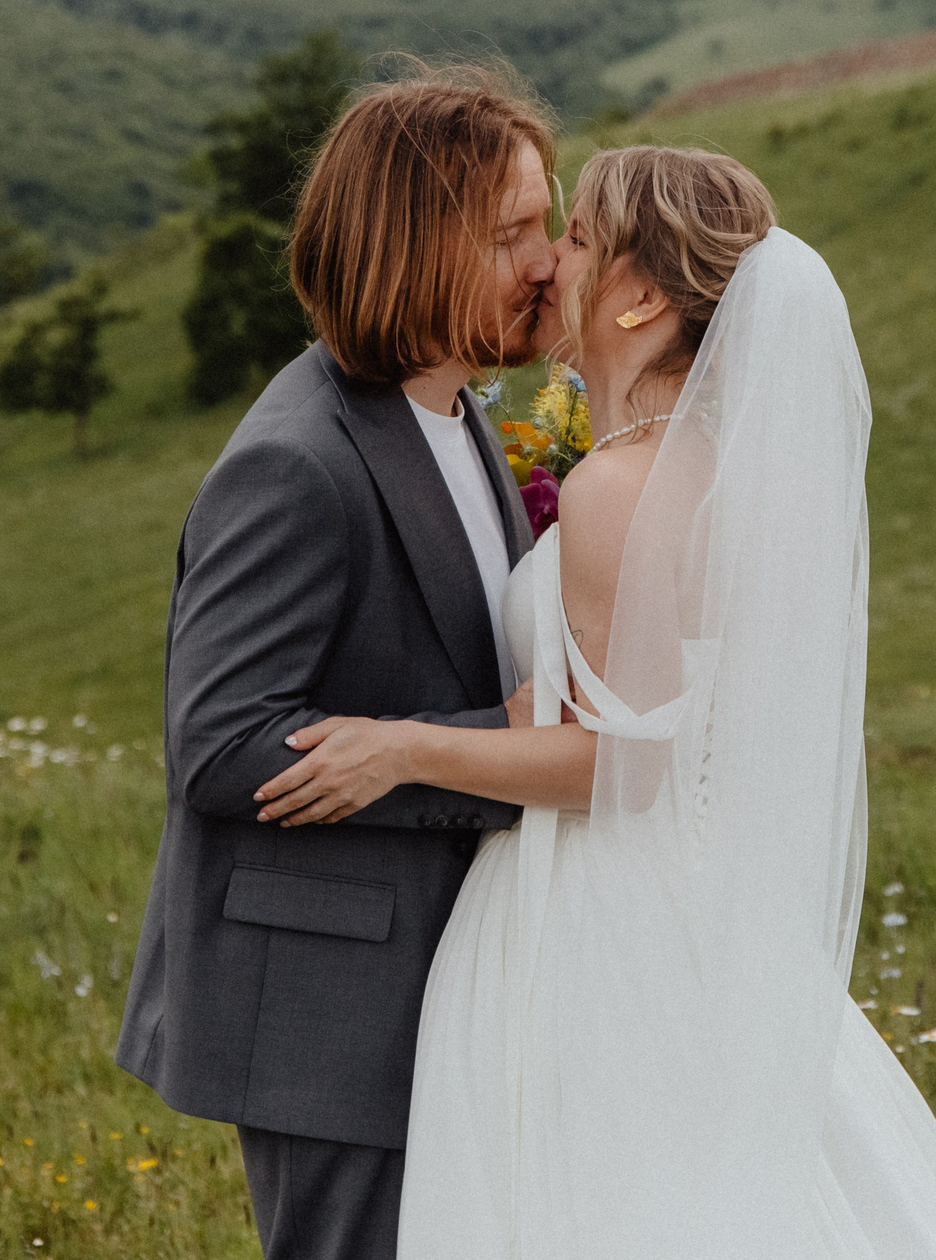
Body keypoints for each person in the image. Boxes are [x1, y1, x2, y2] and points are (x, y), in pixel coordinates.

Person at [256, 146, 936, 1258]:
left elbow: (619, 759)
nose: (545, 261)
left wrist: (402, 748)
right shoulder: (703, 469)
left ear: (642, 296)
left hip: (592, 916)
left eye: (574, 239)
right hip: (683, 901)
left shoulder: (621, 484)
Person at [114, 65, 563, 1260]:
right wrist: (483, 746)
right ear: (414, 251)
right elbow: (218, 743)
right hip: (326, 1002)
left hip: (437, 974)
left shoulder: (460, 413)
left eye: (547, 222)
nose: (547, 262)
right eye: (510, 235)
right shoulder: (297, 463)